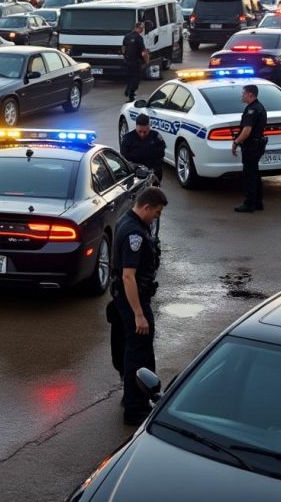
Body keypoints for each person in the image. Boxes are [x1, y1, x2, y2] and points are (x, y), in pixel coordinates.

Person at [110, 187, 167, 425]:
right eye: (157, 212)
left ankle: (131, 397)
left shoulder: (126, 219)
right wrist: (139, 314)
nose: (157, 217)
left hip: (125, 296)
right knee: (139, 352)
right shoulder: (134, 233)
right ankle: (136, 409)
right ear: (146, 207)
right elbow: (128, 276)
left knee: (130, 348)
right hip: (133, 298)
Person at [232, 85, 267, 213]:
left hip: (251, 146)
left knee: (249, 175)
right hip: (256, 145)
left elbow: (247, 130)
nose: (242, 95)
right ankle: (258, 202)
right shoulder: (259, 107)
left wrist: (236, 142)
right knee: (255, 174)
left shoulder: (252, 109)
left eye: (244, 93)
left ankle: (249, 204)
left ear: (250, 95)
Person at [120, 113, 166, 181]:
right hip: (136, 174)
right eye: (140, 131)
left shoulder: (156, 136)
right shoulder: (127, 139)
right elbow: (124, 157)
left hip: (154, 172)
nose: (142, 134)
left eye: (145, 132)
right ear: (136, 127)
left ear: (149, 127)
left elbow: (161, 152)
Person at [122, 22, 148, 102]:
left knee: (130, 77)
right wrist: (147, 61)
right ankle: (131, 96)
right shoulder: (139, 38)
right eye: (142, 28)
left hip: (128, 61)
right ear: (139, 28)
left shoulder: (127, 36)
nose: (143, 30)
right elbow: (143, 52)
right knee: (136, 79)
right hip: (136, 62)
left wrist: (125, 57)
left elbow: (123, 48)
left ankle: (128, 89)